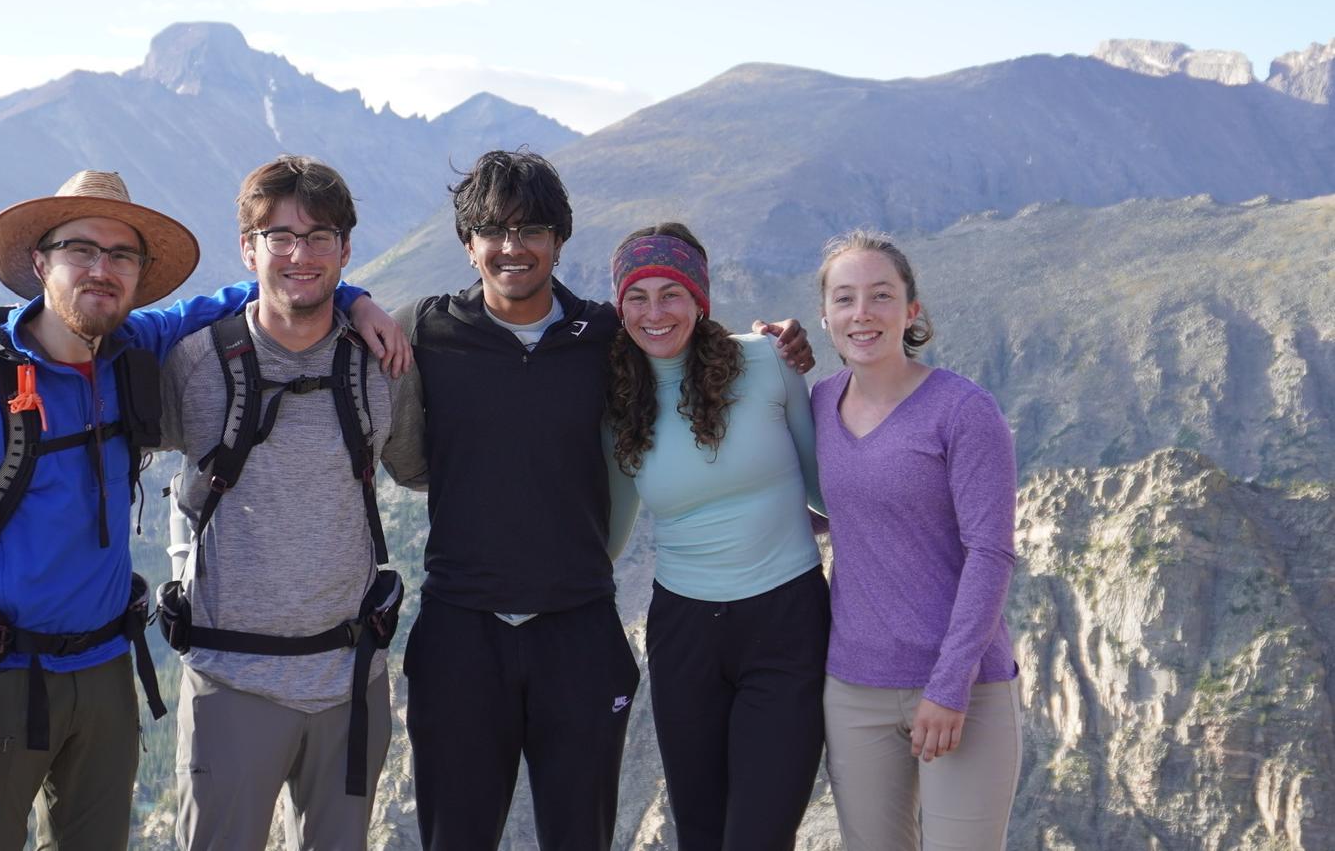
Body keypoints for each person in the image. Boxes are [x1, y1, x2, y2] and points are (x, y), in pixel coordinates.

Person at [0, 169, 402, 850]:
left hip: (105, 670)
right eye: (81, 250)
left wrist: (352, 295)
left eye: (121, 255)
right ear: (40, 262)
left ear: (137, 274)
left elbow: (272, 283)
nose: (101, 270)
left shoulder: (132, 350)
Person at [387, 150, 815, 851]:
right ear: (467, 246)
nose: (511, 247)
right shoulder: (421, 331)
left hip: (578, 630)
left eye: (530, 229)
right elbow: (331, 350)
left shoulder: (607, 339)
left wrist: (780, 343)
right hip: (460, 630)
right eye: (491, 230)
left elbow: (686, 343)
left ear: (559, 239)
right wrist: (355, 302)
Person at [159, 156, 421, 850]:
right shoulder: (192, 361)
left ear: (345, 250)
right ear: (248, 248)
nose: (300, 255)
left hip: (352, 680)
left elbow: (430, 470)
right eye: (279, 237)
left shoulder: (380, 363)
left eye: (319, 237)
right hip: (229, 682)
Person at [606, 222, 829, 850]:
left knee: (759, 837)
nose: (654, 313)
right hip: (684, 637)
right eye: (637, 297)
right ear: (619, 306)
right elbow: (611, 537)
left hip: (787, 625)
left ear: (699, 299)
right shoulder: (619, 402)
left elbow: (826, 493)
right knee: (701, 837)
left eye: (670, 293)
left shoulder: (768, 362)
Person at [809, 229, 1021, 850]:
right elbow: (838, 509)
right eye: (845, 299)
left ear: (911, 310)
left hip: (963, 688)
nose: (863, 313)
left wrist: (949, 684)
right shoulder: (821, 403)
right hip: (854, 688)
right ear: (826, 316)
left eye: (881, 295)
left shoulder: (963, 411)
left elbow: (992, 551)